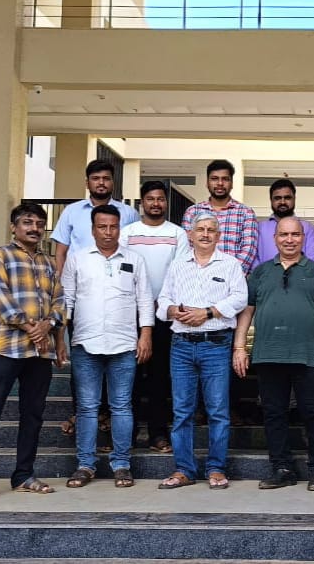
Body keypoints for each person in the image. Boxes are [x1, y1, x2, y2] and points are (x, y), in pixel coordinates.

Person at [235, 217, 314, 492]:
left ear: (303, 238)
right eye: (284, 235)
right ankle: (281, 469)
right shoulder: (260, 273)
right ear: (275, 238)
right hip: (268, 354)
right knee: (273, 414)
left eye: (295, 235)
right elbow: (247, 311)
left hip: (309, 355)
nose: (289, 240)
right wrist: (239, 348)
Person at [0, 204, 67, 503]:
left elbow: (59, 300)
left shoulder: (49, 263)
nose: (34, 228)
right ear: (14, 227)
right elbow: (0, 296)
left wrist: (48, 325)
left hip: (39, 353)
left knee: (33, 415)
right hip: (5, 348)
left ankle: (24, 475)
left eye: (39, 223)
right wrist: (31, 327)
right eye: (27, 222)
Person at [61, 204, 154, 489]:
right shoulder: (77, 259)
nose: (108, 232)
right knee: (87, 407)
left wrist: (146, 335)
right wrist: (60, 339)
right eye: (102, 226)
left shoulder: (134, 259)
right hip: (85, 343)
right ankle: (85, 465)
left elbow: (144, 300)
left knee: (122, 406)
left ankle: (122, 464)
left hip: (124, 344)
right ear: (93, 230)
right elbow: (67, 301)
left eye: (113, 226)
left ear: (119, 229)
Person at [156, 213, 248, 491]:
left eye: (211, 230)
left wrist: (207, 313)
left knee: (217, 410)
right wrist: (173, 310)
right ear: (190, 235)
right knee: (182, 411)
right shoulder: (177, 265)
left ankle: (216, 468)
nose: (205, 234)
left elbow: (240, 298)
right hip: (181, 345)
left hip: (216, 344)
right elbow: (163, 299)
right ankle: (184, 469)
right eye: (200, 229)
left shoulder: (230, 264)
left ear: (218, 236)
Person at [50, 159, 139, 437]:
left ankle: (110, 416)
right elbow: (61, 252)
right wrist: (62, 289)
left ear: (113, 182)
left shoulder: (128, 213)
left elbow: (134, 253)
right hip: (82, 298)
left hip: (118, 300)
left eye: (106, 178)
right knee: (83, 358)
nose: (101, 183)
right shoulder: (72, 212)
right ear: (87, 182)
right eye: (96, 178)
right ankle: (81, 412)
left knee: (118, 358)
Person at [119, 180, 190, 453]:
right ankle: (127, 434)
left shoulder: (177, 234)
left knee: (161, 377)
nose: (156, 203)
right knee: (130, 376)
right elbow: (122, 270)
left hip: (165, 315)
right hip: (131, 314)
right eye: (150, 199)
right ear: (142, 202)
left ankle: (158, 434)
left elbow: (180, 272)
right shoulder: (127, 233)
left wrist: (164, 303)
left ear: (166, 203)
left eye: (160, 199)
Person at [182, 159, 258, 276]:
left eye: (225, 179)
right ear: (207, 183)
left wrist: (229, 275)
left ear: (232, 183)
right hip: (198, 278)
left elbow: (248, 249)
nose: (220, 183)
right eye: (214, 179)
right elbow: (188, 247)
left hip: (232, 279)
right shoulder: (192, 212)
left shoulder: (245, 213)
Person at [253, 178, 314, 268]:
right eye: (277, 198)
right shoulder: (259, 228)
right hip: (264, 276)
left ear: (294, 199)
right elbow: (254, 259)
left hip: (301, 276)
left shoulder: (308, 228)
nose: (282, 202)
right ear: (271, 200)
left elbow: (311, 260)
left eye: (287, 198)